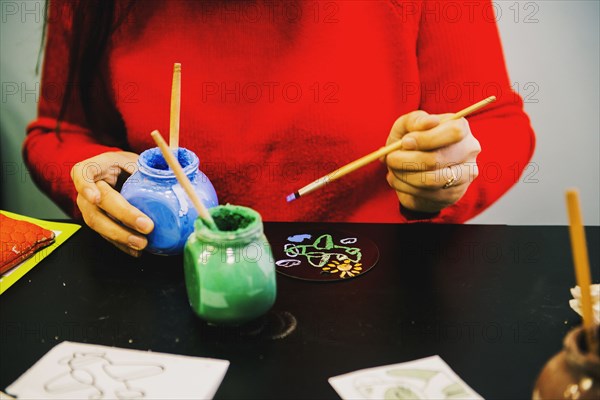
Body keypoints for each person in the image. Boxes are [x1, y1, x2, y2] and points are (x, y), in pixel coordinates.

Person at [24, 0, 535, 257]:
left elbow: (496, 123)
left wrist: (448, 172)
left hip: (374, 281)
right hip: (157, 291)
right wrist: (88, 177)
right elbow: (56, 131)